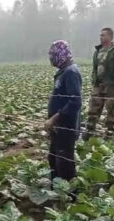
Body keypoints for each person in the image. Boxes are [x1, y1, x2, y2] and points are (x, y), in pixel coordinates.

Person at [45, 40, 82, 181]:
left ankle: (70, 196)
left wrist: (55, 118)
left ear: (61, 54)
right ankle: (56, 190)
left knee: (64, 163)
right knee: (54, 158)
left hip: (67, 126)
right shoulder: (63, 71)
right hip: (58, 126)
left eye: (53, 55)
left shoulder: (71, 72)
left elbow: (75, 101)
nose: (51, 58)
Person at [85, 28, 114, 140]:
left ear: (110, 37)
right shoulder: (97, 52)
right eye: (100, 35)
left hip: (111, 86)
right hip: (98, 85)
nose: (101, 37)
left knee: (111, 109)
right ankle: (90, 130)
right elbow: (94, 69)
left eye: (103, 35)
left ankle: (109, 132)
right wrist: (94, 81)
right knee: (93, 108)